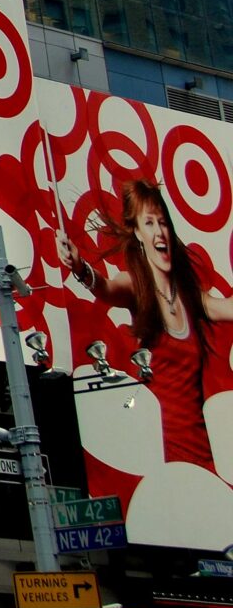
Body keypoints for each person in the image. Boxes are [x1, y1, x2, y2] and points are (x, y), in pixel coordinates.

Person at [58, 178, 232, 469]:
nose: (159, 231)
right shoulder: (137, 287)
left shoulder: (190, 297)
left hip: (203, 456)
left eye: (162, 222)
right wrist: (79, 267)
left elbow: (225, 308)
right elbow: (105, 289)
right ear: (137, 232)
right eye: (149, 223)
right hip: (161, 456)